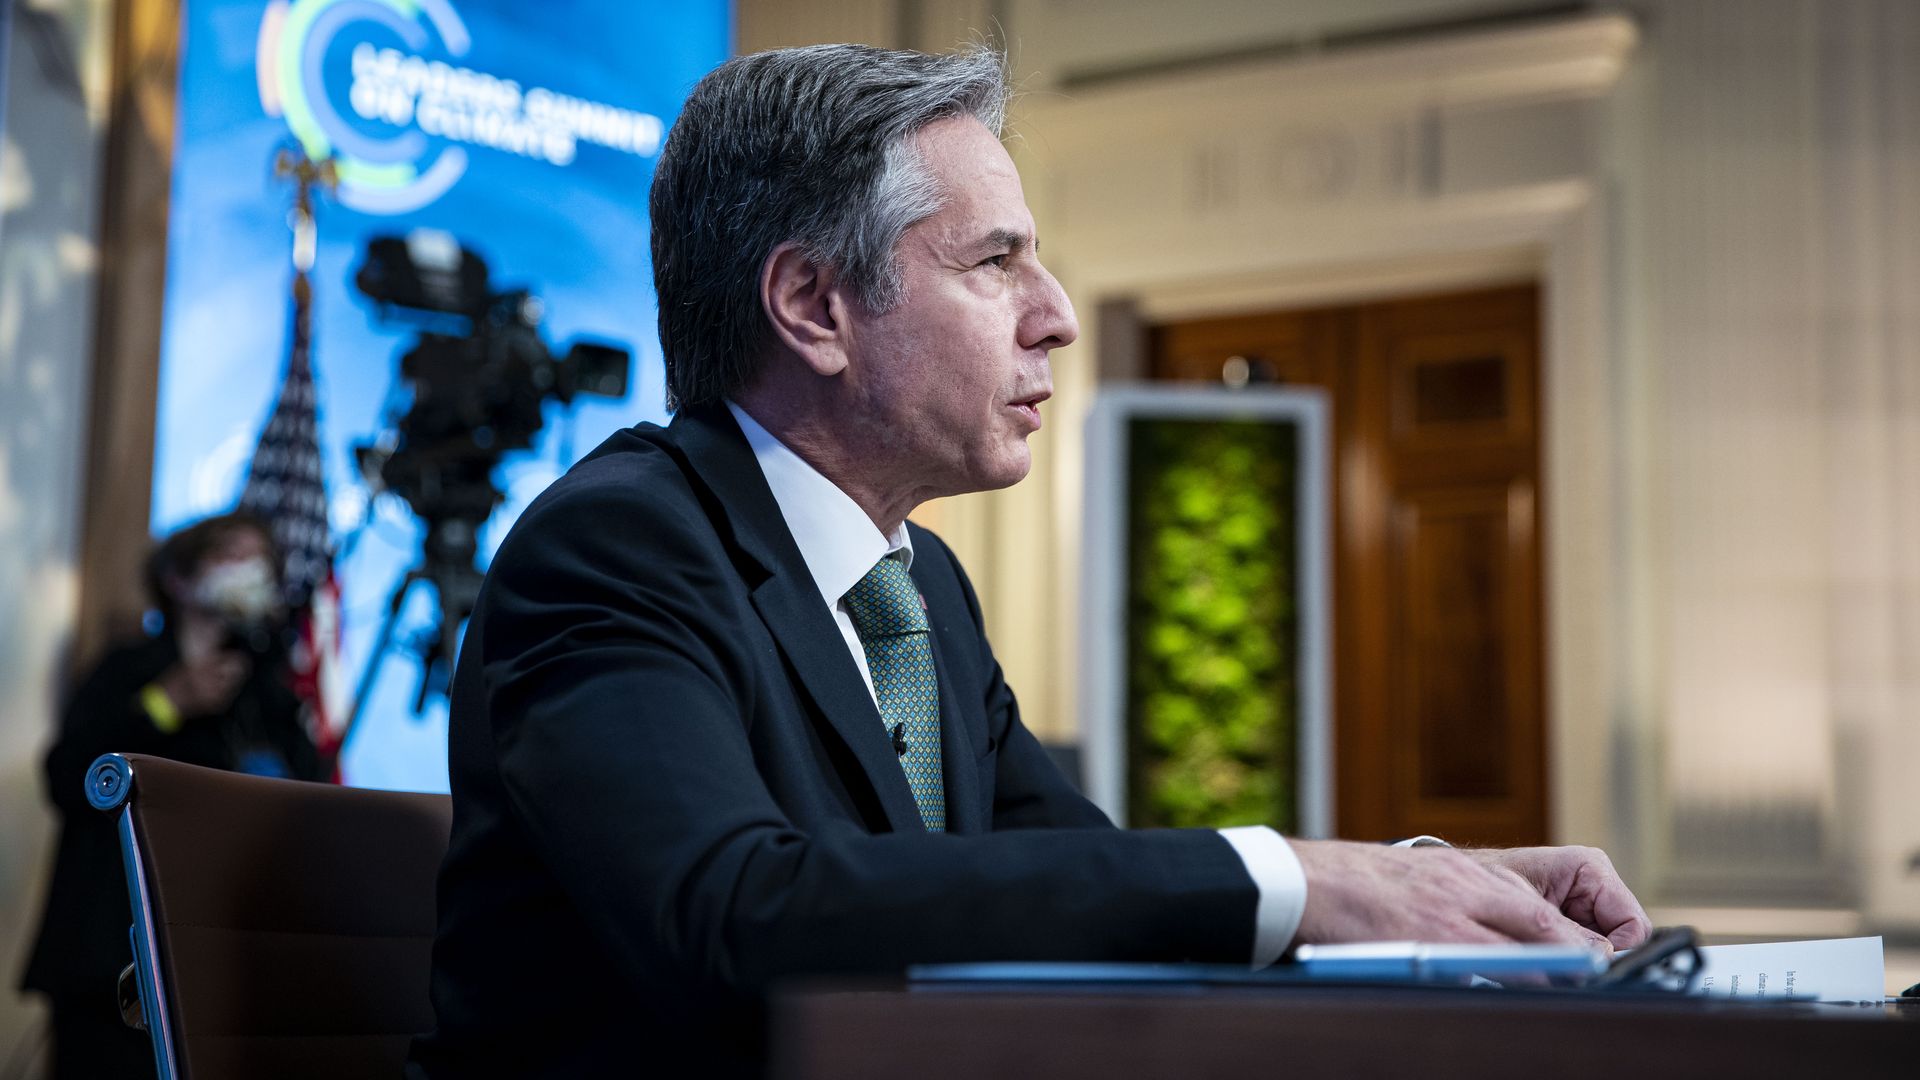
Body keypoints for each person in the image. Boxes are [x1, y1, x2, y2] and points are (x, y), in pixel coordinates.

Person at [408, 43, 1651, 1077]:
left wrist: (1421, 897)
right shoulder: (618, 544)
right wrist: (1295, 878)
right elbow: (731, 915)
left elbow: (1074, 889)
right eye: (995, 261)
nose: (1055, 315)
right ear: (814, 307)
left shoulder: (922, 590)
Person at [20, 512, 325, 1080]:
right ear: (180, 578)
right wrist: (166, 705)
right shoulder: (128, 668)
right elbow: (65, 777)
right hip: (107, 959)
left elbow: (310, 802)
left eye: (261, 559)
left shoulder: (267, 691)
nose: (252, 569)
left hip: (219, 959)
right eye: (231, 553)